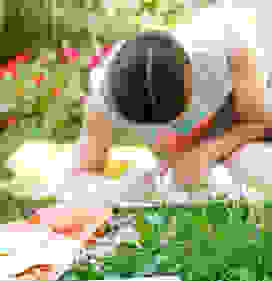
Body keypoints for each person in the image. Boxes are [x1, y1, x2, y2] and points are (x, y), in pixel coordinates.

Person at [67, 3, 272, 203]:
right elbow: (84, 176)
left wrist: (207, 152)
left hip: (252, 106)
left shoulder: (229, 47)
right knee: (170, 185)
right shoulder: (106, 90)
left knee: (250, 164)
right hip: (196, 141)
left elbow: (261, 123)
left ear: (193, 79)